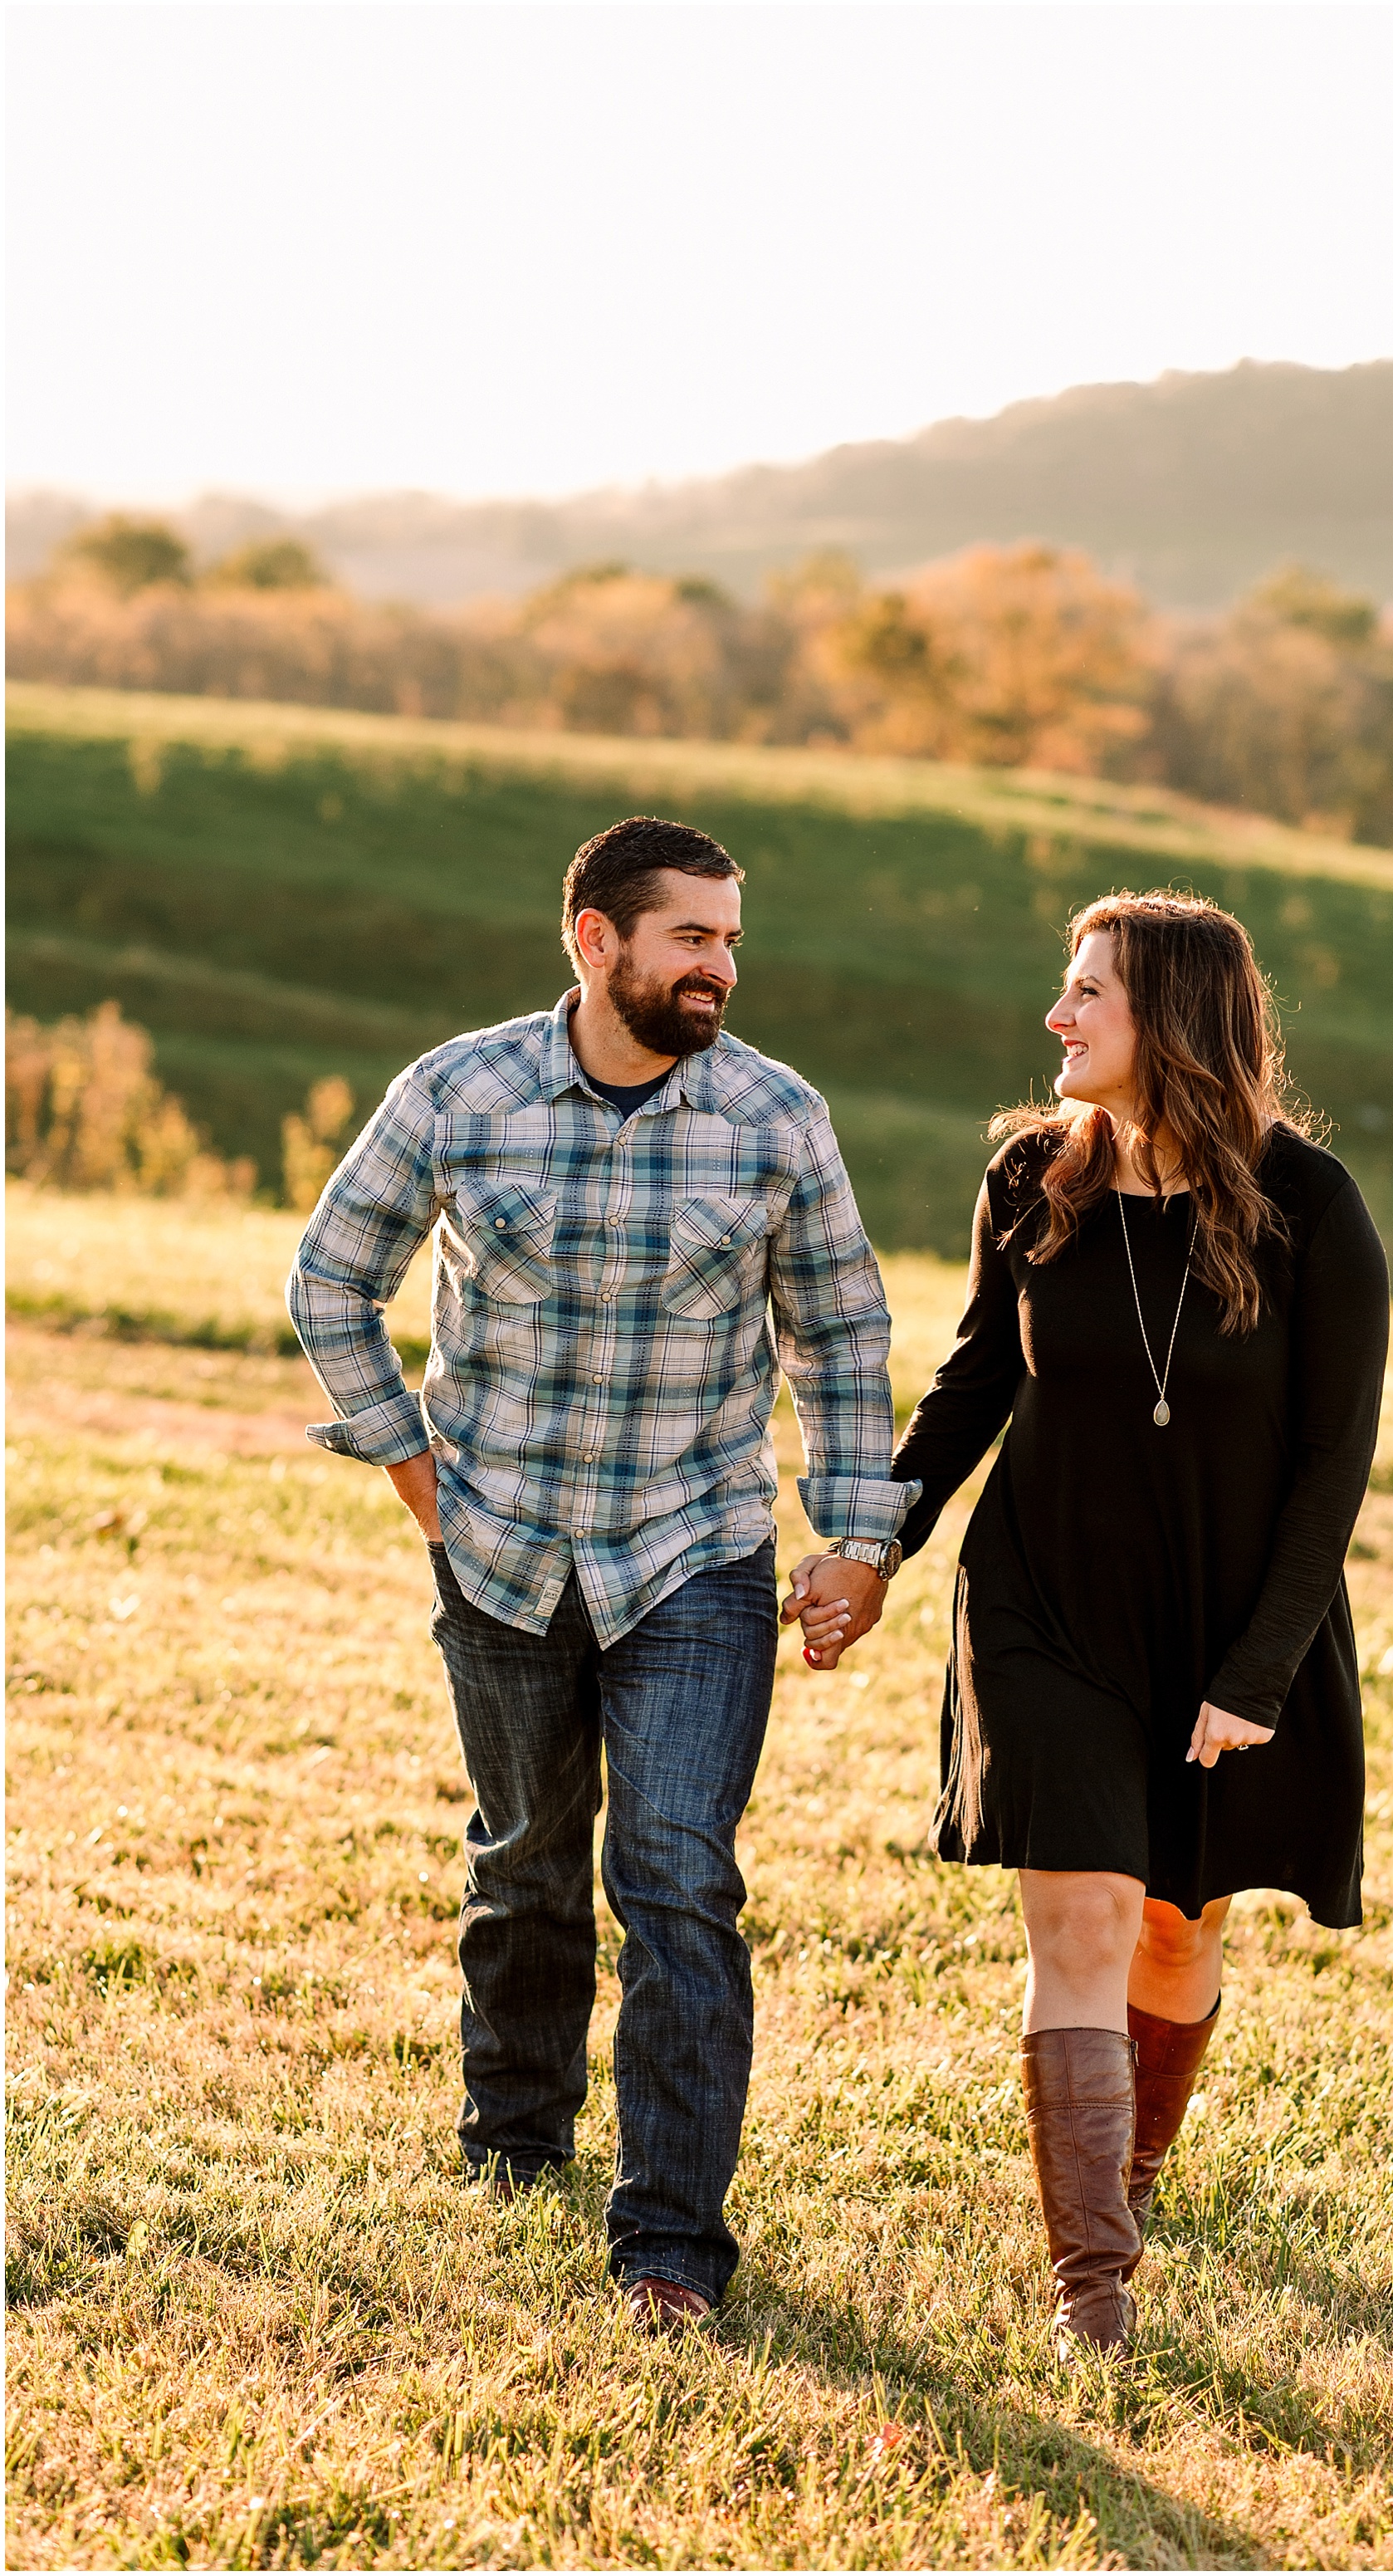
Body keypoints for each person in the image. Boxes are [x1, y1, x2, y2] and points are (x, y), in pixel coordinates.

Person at [288, 814, 913, 2333]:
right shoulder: (461, 1091)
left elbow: (839, 1333)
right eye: (692, 937)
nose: (721, 966)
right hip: (497, 1548)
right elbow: (330, 1278)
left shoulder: (777, 1117)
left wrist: (855, 1536)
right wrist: (416, 1473)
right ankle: (513, 2141)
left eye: (731, 939)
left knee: (679, 1877)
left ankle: (671, 2247)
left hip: (693, 1553)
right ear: (597, 940)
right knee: (524, 1861)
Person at [850, 889, 1391, 2359]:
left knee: (1173, 1923)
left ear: (1177, 1016)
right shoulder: (1034, 1176)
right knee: (1082, 1908)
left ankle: (1132, 2168)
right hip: (1045, 1597)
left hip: (1225, 1616)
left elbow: (1335, 1458)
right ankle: (1093, 2285)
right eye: (1064, 985)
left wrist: (1261, 1669)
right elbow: (974, 1379)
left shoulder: (1311, 1208)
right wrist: (875, 1543)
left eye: (1089, 990)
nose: (1058, 1015)